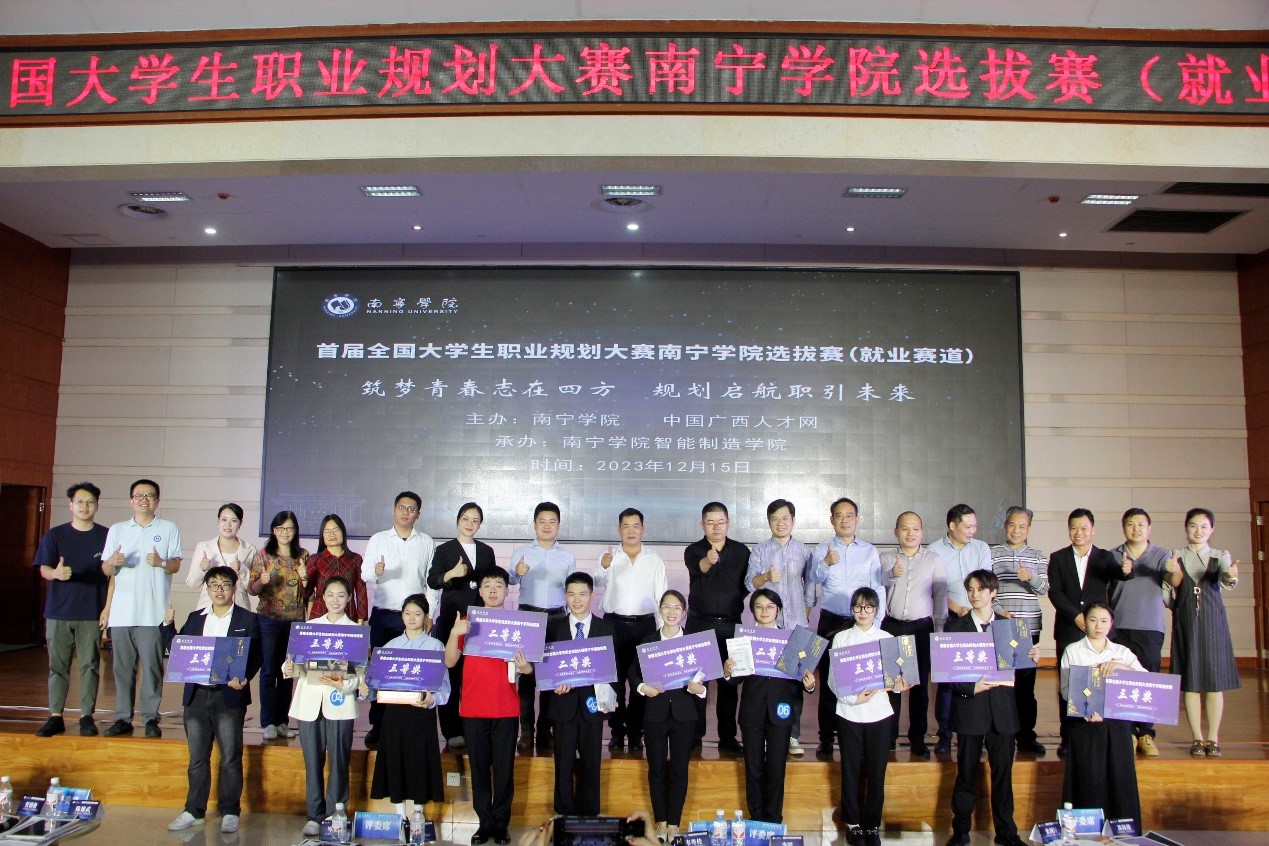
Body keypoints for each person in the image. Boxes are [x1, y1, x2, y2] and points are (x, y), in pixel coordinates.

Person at [166, 566, 263, 834]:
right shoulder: (196, 618)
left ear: (234, 587)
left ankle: (230, 810)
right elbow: (178, 649)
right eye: (213, 585)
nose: (219, 590)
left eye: (224, 584)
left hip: (229, 696)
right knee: (197, 757)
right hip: (197, 696)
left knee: (230, 756)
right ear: (206, 589)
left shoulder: (247, 619)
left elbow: (256, 654)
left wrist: (244, 676)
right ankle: (193, 810)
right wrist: (167, 626)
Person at [945, 570, 1037, 846]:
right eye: (971, 590)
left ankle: (1006, 833)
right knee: (966, 774)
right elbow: (948, 674)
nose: (975, 595)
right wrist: (970, 687)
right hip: (971, 708)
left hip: (1002, 711)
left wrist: (1030, 659)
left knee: (1003, 776)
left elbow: (1021, 674)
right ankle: (961, 832)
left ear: (993, 592)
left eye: (981, 589)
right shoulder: (955, 628)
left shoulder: (1010, 627)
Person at [446, 566, 533, 845]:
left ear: (507, 590)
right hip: (473, 708)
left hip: (506, 707)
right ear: (480, 591)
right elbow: (449, 661)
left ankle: (501, 824)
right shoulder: (467, 621)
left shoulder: (518, 624)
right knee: (480, 769)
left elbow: (530, 669)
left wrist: (525, 667)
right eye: (488, 585)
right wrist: (454, 633)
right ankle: (484, 824)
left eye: (499, 585)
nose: (493, 590)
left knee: (504, 770)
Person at [724, 588, 817, 824]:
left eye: (769, 607)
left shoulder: (793, 641)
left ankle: (774, 822)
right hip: (752, 712)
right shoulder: (744, 640)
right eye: (759, 607)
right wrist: (728, 671)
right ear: (752, 611)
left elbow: (800, 680)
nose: (764, 611)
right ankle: (756, 821)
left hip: (781, 712)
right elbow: (734, 681)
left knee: (776, 770)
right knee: (753, 769)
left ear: (778, 610)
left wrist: (809, 685)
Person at [100, 478, 183, 738]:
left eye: (149, 496)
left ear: (157, 501)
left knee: (152, 668)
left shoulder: (168, 528)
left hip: (153, 612)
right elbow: (106, 570)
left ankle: (150, 718)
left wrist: (161, 562)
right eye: (138, 496)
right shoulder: (118, 529)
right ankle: (122, 718)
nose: (143, 500)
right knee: (122, 669)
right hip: (122, 613)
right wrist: (113, 562)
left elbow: (176, 564)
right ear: (131, 500)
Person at [284, 577, 365, 838]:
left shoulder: (356, 631)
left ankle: (335, 813)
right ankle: (314, 814)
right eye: (330, 595)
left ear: (349, 598)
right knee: (312, 761)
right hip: (309, 702)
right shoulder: (309, 628)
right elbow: (297, 667)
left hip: (340, 702)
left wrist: (346, 684)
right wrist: (288, 668)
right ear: (323, 597)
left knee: (339, 760)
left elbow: (361, 674)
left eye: (341, 595)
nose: (335, 600)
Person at [1048, 508, 1132, 757]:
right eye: (1074, 528)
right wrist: (1076, 616)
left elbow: (1119, 573)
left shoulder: (1104, 557)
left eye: (1084, 528)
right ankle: (1068, 737)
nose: (1079, 532)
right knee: (1069, 684)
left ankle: (1103, 732)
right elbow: (1055, 592)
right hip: (1069, 628)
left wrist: (1126, 569)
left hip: (1098, 631)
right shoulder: (1058, 557)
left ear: (1093, 530)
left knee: (1102, 681)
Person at [830, 587, 909, 846]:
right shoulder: (841, 638)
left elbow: (896, 680)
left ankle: (872, 825)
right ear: (852, 609)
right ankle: (852, 823)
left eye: (868, 607)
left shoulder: (887, 638)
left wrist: (900, 684)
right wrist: (854, 699)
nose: (862, 612)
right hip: (849, 712)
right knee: (850, 769)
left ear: (876, 610)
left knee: (877, 771)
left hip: (880, 713)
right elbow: (833, 679)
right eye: (858, 607)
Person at [33, 482, 109, 737]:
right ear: (70, 505)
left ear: (97, 506)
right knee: (58, 666)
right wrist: (55, 573)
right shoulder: (54, 535)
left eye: (90, 502)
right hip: (58, 611)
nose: (85, 506)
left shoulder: (107, 536)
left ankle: (87, 716)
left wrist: (107, 609)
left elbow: (113, 576)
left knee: (90, 666)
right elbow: (43, 569)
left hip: (91, 611)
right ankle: (56, 715)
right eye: (80, 502)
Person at [809, 497, 883, 761]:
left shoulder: (870, 551)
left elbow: (877, 588)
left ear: (857, 519)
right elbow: (813, 578)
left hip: (860, 621)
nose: (844, 520)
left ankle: (854, 734)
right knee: (830, 681)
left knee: (860, 678)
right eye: (839, 516)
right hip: (831, 621)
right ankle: (826, 739)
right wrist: (826, 562)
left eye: (849, 515)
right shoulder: (822, 549)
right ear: (832, 520)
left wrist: (876, 624)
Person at [1058, 602, 1143, 830]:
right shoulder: (1073, 650)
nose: (1098, 625)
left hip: (1117, 725)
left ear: (1111, 624)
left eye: (1104, 621)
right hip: (1085, 724)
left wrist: (1121, 668)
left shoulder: (1121, 652)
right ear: (1084, 622)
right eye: (1093, 620)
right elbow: (1066, 690)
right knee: (1089, 779)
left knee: (1120, 778)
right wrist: (1084, 709)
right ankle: (1086, 832)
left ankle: (1122, 831)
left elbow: (1145, 681)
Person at [1165, 507, 1240, 757]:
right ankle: (1197, 737)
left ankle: (1213, 738)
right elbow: (1169, 585)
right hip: (1186, 623)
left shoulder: (1220, 555)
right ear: (1186, 528)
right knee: (1191, 682)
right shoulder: (1176, 555)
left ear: (1212, 530)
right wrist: (1171, 576)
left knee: (1214, 683)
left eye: (1204, 527)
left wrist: (1231, 576)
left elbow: (1227, 580)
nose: (1198, 531)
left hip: (1213, 625)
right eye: (1193, 526)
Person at [631, 589, 705, 842]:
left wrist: (700, 689)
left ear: (684, 612)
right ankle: (660, 821)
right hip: (655, 713)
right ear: (659, 610)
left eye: (676, 608)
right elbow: (633, 674)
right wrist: (643, 688)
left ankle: (674, 823)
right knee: (656, 768)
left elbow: (706, 679)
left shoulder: (695, 643)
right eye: (666, 607)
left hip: (685, 714)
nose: (671, 612)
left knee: (679, 769)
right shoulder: (648, 641)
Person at [367, 593, 450, 818]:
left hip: (421, 712)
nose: (412, 618)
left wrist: (433, 699)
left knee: (419, 760)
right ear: (402, 616)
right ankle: (399, 813)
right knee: (396, 758)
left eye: (417, 614)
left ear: (426, 617)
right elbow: (376, 683)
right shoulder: (390, 646)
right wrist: (366, 688)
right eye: (407, 613)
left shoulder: (435, 646)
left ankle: (418, 812)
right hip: (395, 714)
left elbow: (444, 687)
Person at [593, 507, 668, 752]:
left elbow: (662, 597)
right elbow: (596, 583)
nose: (631, 530)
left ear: (643, 529)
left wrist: (661, 633)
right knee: (614, 681)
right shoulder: (608, 556)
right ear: (619, 529)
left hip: (644, 627)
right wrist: (604, 567)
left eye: (636, 526)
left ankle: (636, 732)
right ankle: (616, 731)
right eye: (626, 526)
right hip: (613, 625)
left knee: (641, 681)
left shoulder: (654, 559)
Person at [364, 491, 436, 746]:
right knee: (381, 671)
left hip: (415, 618)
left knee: (413, 672)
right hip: (384, 615)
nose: (406, 512)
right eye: (402, 507)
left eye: (412, 508)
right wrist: (377, 571)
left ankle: (409, 723)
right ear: (393, 510)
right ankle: (378, 725)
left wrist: (430, 614)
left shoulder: (426, 542)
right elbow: (365, 574)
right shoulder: (379, 539)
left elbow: (431, 582)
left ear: (418, 514)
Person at [746, 498, 815, 757]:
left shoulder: (804, 551)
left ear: (793, 520)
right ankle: (766, 733)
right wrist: (766, 577)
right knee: (766, 682)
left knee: (795, 682)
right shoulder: (760, 550)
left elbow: (810, 589)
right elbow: (749, 583)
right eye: (775, 519)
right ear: (768, 522)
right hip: (767, 627)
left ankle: (792, 735)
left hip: (796, 626)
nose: (780, 523)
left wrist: (803, 620)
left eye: (785, 518)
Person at [544, 572, 616, 815]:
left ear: (592, 596)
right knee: (563, 764)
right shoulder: (553, 627)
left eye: (582, 594)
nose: (577, 600)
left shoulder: (606, 628)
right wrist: (553, 684)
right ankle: (563, 816)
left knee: (591, 764)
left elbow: (614, 668)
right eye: (572, 594)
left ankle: (589, 816)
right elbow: (544, 666)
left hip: (593, 705)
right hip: (562, 705)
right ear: (565, 596)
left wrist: (611, 699)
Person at [683, 501, 750, 756]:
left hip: (731, 624)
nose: (716, 527)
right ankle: (694, 735)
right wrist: (708, 561)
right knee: (697, 680)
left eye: (720, 522)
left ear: (728, 522)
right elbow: (699, 567)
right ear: (703, 524)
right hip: (700, 624)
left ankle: (728, 737)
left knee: (730, 683)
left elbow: (746, 584)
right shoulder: (693, 550)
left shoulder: (742, 552)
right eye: (710, 522)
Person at [510, 502, 577, 752]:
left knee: (551, 677)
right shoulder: (522, 552)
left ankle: (546, 729)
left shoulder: (567, 556)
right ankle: (526, 730)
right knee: (526, 678)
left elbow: (573, 590)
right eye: (542, 521)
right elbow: (509, 579)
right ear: (534, 524)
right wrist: (517, 572)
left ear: (558, 525)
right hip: (528, 617)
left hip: (557, 618)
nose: (547, 526)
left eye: (552, 522)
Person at [428, 502, 496, 748]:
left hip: (480, 623)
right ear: (458, 520)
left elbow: (492, 582)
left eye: (475, 520)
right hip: (453, 620)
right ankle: (452, 730)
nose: (470, 524)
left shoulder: (486, 551)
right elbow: (433, 580)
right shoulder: (445, 550)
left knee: (476, 675)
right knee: (452, 674)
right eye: (466, 518)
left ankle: (474, 726)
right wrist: (451, 574)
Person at [880, 511, 946, 757]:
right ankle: (888, 737)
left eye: (915, 529)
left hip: (921, 628)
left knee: (919, 688)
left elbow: (940, 596)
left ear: (922, 532)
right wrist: (891, 575)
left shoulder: (933, 560)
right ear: (896, 532)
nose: (911, 534)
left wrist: (939, 631)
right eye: (905, 529)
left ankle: (917, 738)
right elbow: (876, 585)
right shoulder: (885, 558)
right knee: (891, 684)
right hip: (892, 626)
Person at [927, 503, 992, 755]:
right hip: (949, 620)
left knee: (980, 676)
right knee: (947, 680)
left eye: (975, 526)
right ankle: (945, 733)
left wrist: (975, 609)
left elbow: (986, 582)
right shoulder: (934, 550)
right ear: (953, 526)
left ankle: (980, 730)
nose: (973, 531)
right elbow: (931, 588)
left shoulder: (981, 548)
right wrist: (955, 606)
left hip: (978, 620)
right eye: (968, 526)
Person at [1108, 508, 1171, 757]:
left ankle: (1145, 732)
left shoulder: (1162, 555)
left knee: (1148, 678)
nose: (1136, 529)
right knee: (1121, 680)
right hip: (1120, 626)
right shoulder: (1113, 555)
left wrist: (1174, 570)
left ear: (1149, 528)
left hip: (1150, 627)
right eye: (1130, 524)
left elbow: (1174, 580)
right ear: (1123, 527)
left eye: (1141, 524)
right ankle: (1127, 733)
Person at [988, 506, 1049, 756]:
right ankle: (999, 734)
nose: (1016, 530)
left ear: (1029, 529)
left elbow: (1044, 588)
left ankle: (1026, 736)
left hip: (1029, 628)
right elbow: (987, 590)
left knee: (1025, 686)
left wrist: (1030, 577)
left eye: (1022, 526)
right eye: (1012, 525)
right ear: (1005, 526)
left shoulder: (1037, 555)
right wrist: (999, 611)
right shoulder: (992, 554)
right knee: (999, 684)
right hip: (1001, 626)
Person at [248, 510, 309, 741]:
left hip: (295, 621)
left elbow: (309, 591)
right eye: (281, 528)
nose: (285, 532)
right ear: (274, 531)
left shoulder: (303, 556)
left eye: (290, 528)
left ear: (295, 531)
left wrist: (305, 578)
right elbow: (251, 589)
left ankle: (282, 721)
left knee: (288, 672)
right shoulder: (263, 555)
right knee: (268, 671)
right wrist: (261, 581)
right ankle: (268, 722)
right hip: (269, 620)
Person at [185, 503, 257, 612]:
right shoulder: (204, 547)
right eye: (224, 520)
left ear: (240, 523)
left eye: (234, 521)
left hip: (239, 609)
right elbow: (192, 584)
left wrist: (242, 569)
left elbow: (252, 589)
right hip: (209, 608)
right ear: (218, 522)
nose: (228, 525)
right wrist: (202, 569)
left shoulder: (250, 549)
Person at [305, 513, 367, 622]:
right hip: (320, 614)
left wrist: (361, 619)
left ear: (343, 532)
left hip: (347, 614)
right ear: (322, 536)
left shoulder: (355, 559)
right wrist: (303, 578)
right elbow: (307, 593)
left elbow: (361, 592)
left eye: (336, 530)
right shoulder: (315, 559)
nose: (332, 534)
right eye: (327, 531)